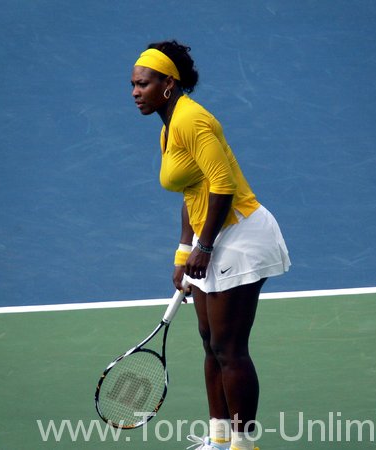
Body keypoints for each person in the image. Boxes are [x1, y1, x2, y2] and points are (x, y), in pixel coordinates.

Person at [131, 40, 290, 450]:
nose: (135, 92)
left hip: (239, 236)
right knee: (209, 341)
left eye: (143, 84)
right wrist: (184, 253)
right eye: (133, 84)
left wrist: (202, 247)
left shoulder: (192, 121)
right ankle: (219, 439)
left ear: (168, 83)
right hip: (210, 237)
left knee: (229, 347)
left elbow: (223, 186)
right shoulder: (169, 127)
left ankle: (243, 445)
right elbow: (192, 192)